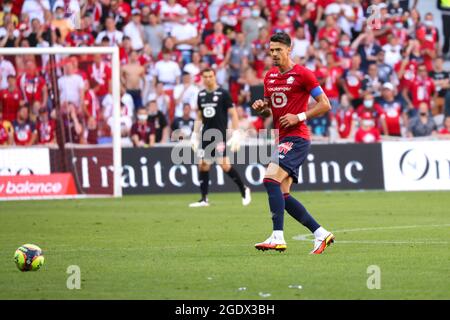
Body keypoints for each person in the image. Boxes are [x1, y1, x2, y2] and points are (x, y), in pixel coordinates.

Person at [251, 32, 334, 254]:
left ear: (289, 49)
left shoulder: (303, 74)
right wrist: (262, 107)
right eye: (271, 50)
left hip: (297, 137)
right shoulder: (269, 77)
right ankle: (321, 234)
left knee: (270, 179)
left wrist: (299, 117)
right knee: (283, 195)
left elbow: (325, 104)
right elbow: (271, 107)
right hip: (283, 137)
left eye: (279, 50)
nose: (274, 54)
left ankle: (277, 237)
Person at [189, 68, 251, 208]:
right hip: (206, 134)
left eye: (210, 76)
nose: (208, 79)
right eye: (205, 76)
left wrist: (235, 132)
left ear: (215, 77)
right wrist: (194, 134)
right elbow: (199, 116)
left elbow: (233, 114)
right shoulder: (201, 95)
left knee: (224, 164)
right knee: (203, 165)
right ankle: (204, 199)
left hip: (219, 135)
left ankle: (244, 189)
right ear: (203, 78)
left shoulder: (223, 93)